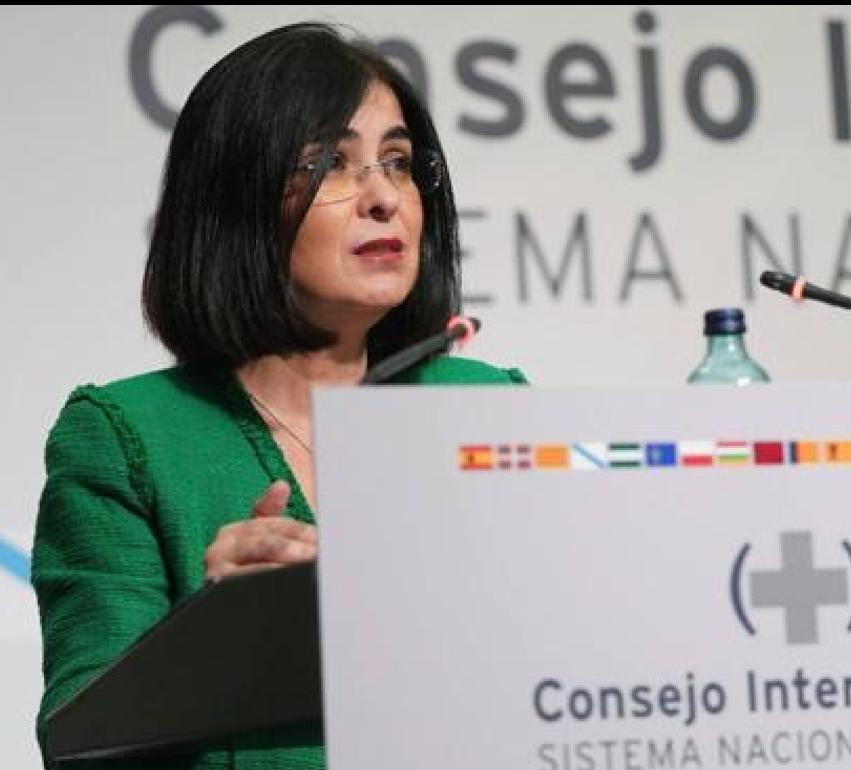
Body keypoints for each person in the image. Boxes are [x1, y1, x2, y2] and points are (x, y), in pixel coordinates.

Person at [32, 22, 524, 770]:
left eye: (397, 162)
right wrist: (215, 634)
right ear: (236, 201)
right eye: (329, 164)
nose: (383, 197)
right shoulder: (127, 438)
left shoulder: (487, 405)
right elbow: (78, 745)